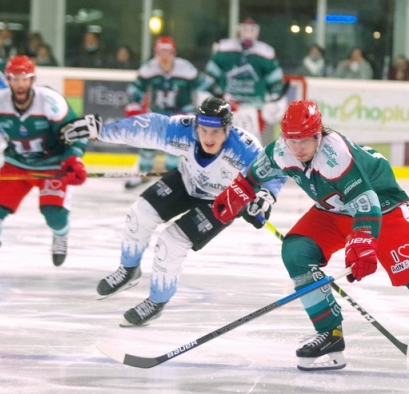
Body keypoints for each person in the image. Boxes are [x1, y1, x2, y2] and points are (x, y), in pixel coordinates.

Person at [210, 100, 409, 375]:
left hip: (381, 209)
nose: (296, 148)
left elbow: (366, 202)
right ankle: (330, 334)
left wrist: (363, 241)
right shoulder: (282, 149)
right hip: (332, 210)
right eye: (291, 141)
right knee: (296, 252)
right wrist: (239, 191)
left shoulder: (335, 154)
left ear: (318, 134)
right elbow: (254, 174)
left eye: (304, 141)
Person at [60, 97, 286, 327]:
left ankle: (156, 302)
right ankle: (129, 270)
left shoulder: (245, 148)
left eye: (216, 132)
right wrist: (101, 131)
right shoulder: (182, 130)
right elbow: (144, 127)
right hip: (186, 182)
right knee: (139, 214)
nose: (208, 138)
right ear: (196, 125)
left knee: (170, 242)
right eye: (203, 130)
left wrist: (265, 197)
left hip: (222, 200)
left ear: (228, 129)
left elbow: (275, 171)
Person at [0, 55, 89, 275]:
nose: (20, 84)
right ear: (7, 80)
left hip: (52, 166)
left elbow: (75, 133)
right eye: (14, 79)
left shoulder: (51, 101)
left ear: (33, 79)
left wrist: (74, 158)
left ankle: (60, 235)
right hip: (16, 164)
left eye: (24, 78)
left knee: (53, 214)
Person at [123, 36, 202, 189]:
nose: (164, 57)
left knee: (174, 147)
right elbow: (135, 89)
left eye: (168, 53)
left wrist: (201, 109)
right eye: (161, 53)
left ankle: (170, 178)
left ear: (174, 53)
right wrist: (133, 108)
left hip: (181, 114)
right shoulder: (149, 69)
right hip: (157, 113)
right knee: (147, 143)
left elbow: (205, 86)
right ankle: (143, 174)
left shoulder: (186, 69)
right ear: (155, 53)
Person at [204, 18, 287, 142]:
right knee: (225, 144)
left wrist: (274, 100)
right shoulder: (224, 50)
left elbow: (276, 82)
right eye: (245, 29)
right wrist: (217, 95)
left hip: (254, 107)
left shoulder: (265, 53)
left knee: (253, 144)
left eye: (251, 30)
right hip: (227, 106)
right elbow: (209, 77)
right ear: (239, 31)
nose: (248, 33)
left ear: (257, 32)